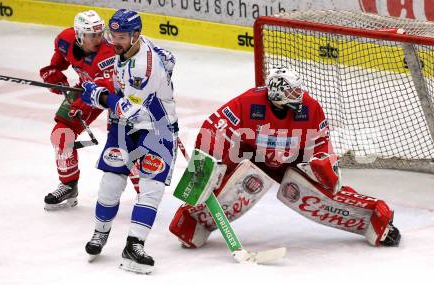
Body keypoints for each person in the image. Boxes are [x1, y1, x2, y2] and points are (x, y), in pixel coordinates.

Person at [169, 67, 401, 249]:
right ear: (277, 92)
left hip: (290, 160)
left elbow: (321, 142)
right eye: (291, 91)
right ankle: (193, 220)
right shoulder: (248, 103)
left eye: (298, 90)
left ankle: (373, 216)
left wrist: (324, 164)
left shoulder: (309, 108)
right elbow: (214, 128)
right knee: (222, 181)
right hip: (249, 155)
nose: (298, 95)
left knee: (317, 188)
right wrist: (202, 169)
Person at [80, 9, 178, 274]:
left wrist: (99, 96)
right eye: (112, 35)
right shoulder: (131, 49)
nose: (114, 41)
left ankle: (134, 245)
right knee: (110, 184)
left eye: (121, 36)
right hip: (124, 128)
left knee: (151, 188)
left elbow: (130, 108)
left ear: (136, 35)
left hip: (156, 130)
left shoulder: (143, 67)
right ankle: (100, 233)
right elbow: (170, 58)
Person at [40, 10, 140, 211]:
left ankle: (146, 197)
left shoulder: (107, 53)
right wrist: (54, 75)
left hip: (117, 97)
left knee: (124, 146)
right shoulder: (65, 40)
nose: (97, 39)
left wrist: (80, 105)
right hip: (87, 88)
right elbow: (59, 62)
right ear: (78, 35)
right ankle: (69, 185)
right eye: (91, 35)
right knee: (61, 134)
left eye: (99, 33)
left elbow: (106, 87)